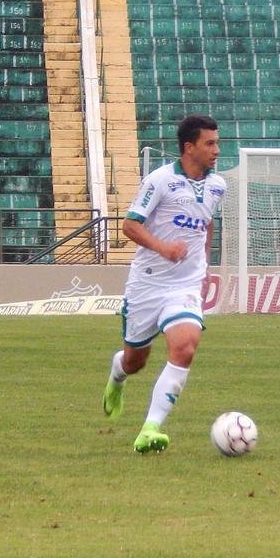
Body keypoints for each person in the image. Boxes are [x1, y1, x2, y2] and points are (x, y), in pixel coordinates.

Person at [102, 115, 226, 453]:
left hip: (184, 284)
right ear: (190, 147)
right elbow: (130, 225)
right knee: (135, 361)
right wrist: (163, 248)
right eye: (210, 143)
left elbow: (206, 224)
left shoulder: (218, 186)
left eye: (217, 142)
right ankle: (117, 375)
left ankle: (150, 428)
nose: (217, 150)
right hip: (148, 283)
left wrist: (206, 268)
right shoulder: (160, 180)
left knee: (185, 346)